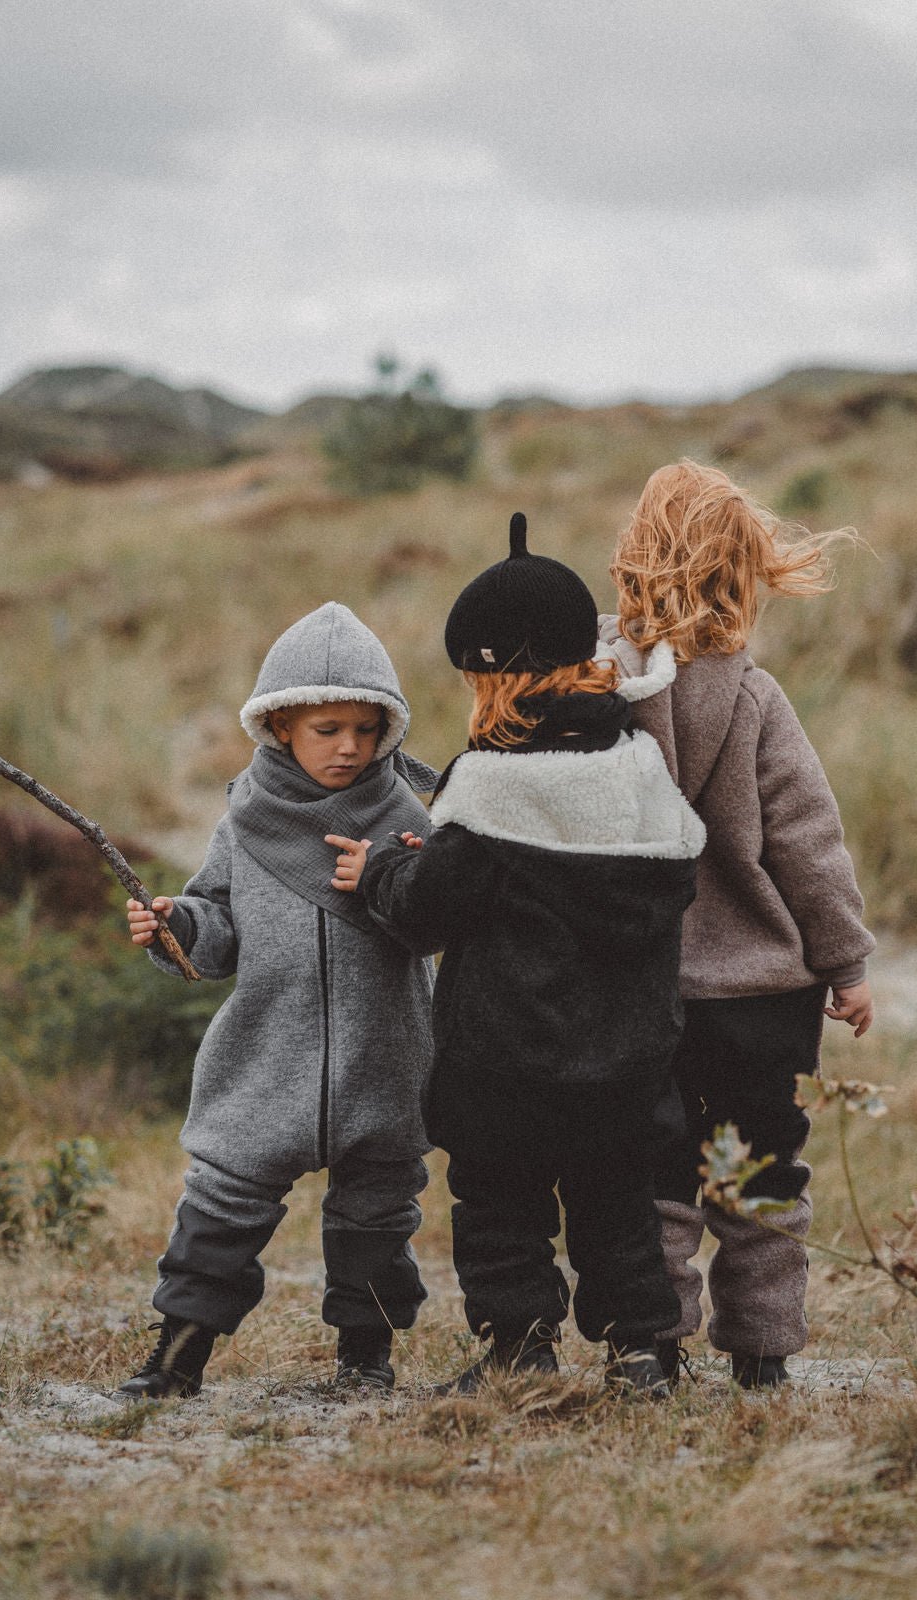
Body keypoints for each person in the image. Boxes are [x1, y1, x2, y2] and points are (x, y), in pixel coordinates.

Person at [334, 514, 706, 1396]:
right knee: (617, 1209)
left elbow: (430, 909)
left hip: (506, 1061)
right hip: (626, 1062)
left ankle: (519, 1350)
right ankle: (643, 1351)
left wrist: (382, 868)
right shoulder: (637, 770)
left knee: (501, 1212)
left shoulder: (494, 785)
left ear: (495, 677)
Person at [599, 461, 875, 1390]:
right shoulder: (754, 700)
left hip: (635, 980)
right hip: (761, 990)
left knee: (654, 1164)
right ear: (739, 574)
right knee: (761, 1165)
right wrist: (844, 962)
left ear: (633, 560)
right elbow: (807, 841)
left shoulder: (592, 684)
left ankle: (652, 1344)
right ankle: (761, 1347)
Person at [118, 602, 437, 1400]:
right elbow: (216, 929)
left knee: (376, 1220)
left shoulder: (412, 817)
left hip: (384, 1055)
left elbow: (437, 928)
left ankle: (365, 1362)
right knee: (217, 1214)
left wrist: (388, 879)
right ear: (282, 723)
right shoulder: (245, 816)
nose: (349, 746)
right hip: (265, 1056)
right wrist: (173, 926)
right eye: (328, 728)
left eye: (366, 729)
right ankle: (176, 1361)